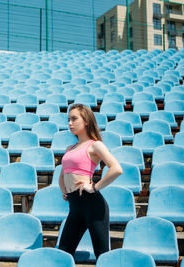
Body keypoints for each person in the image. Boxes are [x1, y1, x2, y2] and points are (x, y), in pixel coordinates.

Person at [58, 103, 123, 259]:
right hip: (75, 205)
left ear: (86, 121)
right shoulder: (70, 148)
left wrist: (95, 186)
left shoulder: (95, 145)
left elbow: (116, 169)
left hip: (92, 205)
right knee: (63, 252)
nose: (70, 123)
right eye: (68, 119)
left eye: (74, 119)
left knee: (102, 254)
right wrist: (63, 189)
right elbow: (63, 174)